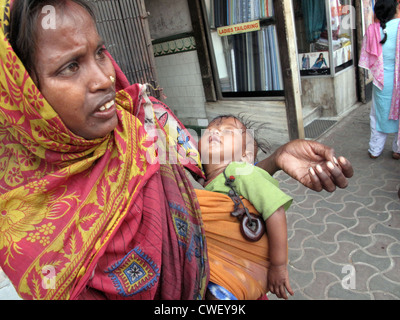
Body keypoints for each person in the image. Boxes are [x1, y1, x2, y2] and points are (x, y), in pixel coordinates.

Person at [0, 0, 353, 300]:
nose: (103, 79)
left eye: (100, 53)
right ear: (25, 93)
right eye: (71, 66)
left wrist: (276, 158)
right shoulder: (25, 224)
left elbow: (218, 185)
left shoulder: (142, 123)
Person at [197, 115, 293, 300]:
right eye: (209, 130)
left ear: (245, 156)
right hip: (221, 265)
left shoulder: (241, 172)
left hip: (240, 271)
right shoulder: (202, 181)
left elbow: (275, 210)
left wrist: (278, 266)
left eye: (227, 131)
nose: (215, 131)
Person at [359, 0, 400, 160]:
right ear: (394, 9)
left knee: (378, 116)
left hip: (382, 82)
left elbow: (367, 58)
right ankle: (397, 149)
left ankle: (375, 150)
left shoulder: (372, 30)